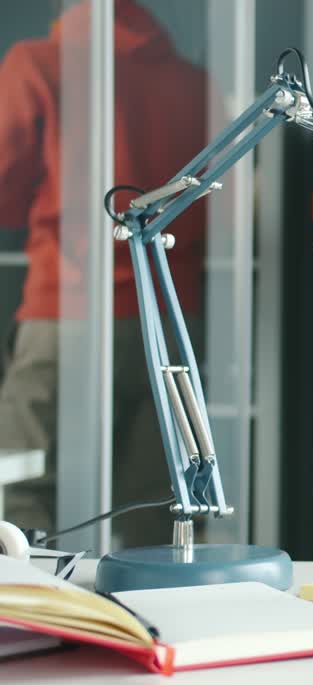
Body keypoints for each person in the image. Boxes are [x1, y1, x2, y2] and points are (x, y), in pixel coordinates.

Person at [0, 0, 209, 547]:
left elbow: (3, 191)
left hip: (62, 307)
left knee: (23, 498)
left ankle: (35, 625)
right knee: (162, 507)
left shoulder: (37, 62)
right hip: (166, 317)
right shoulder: (194, 83)